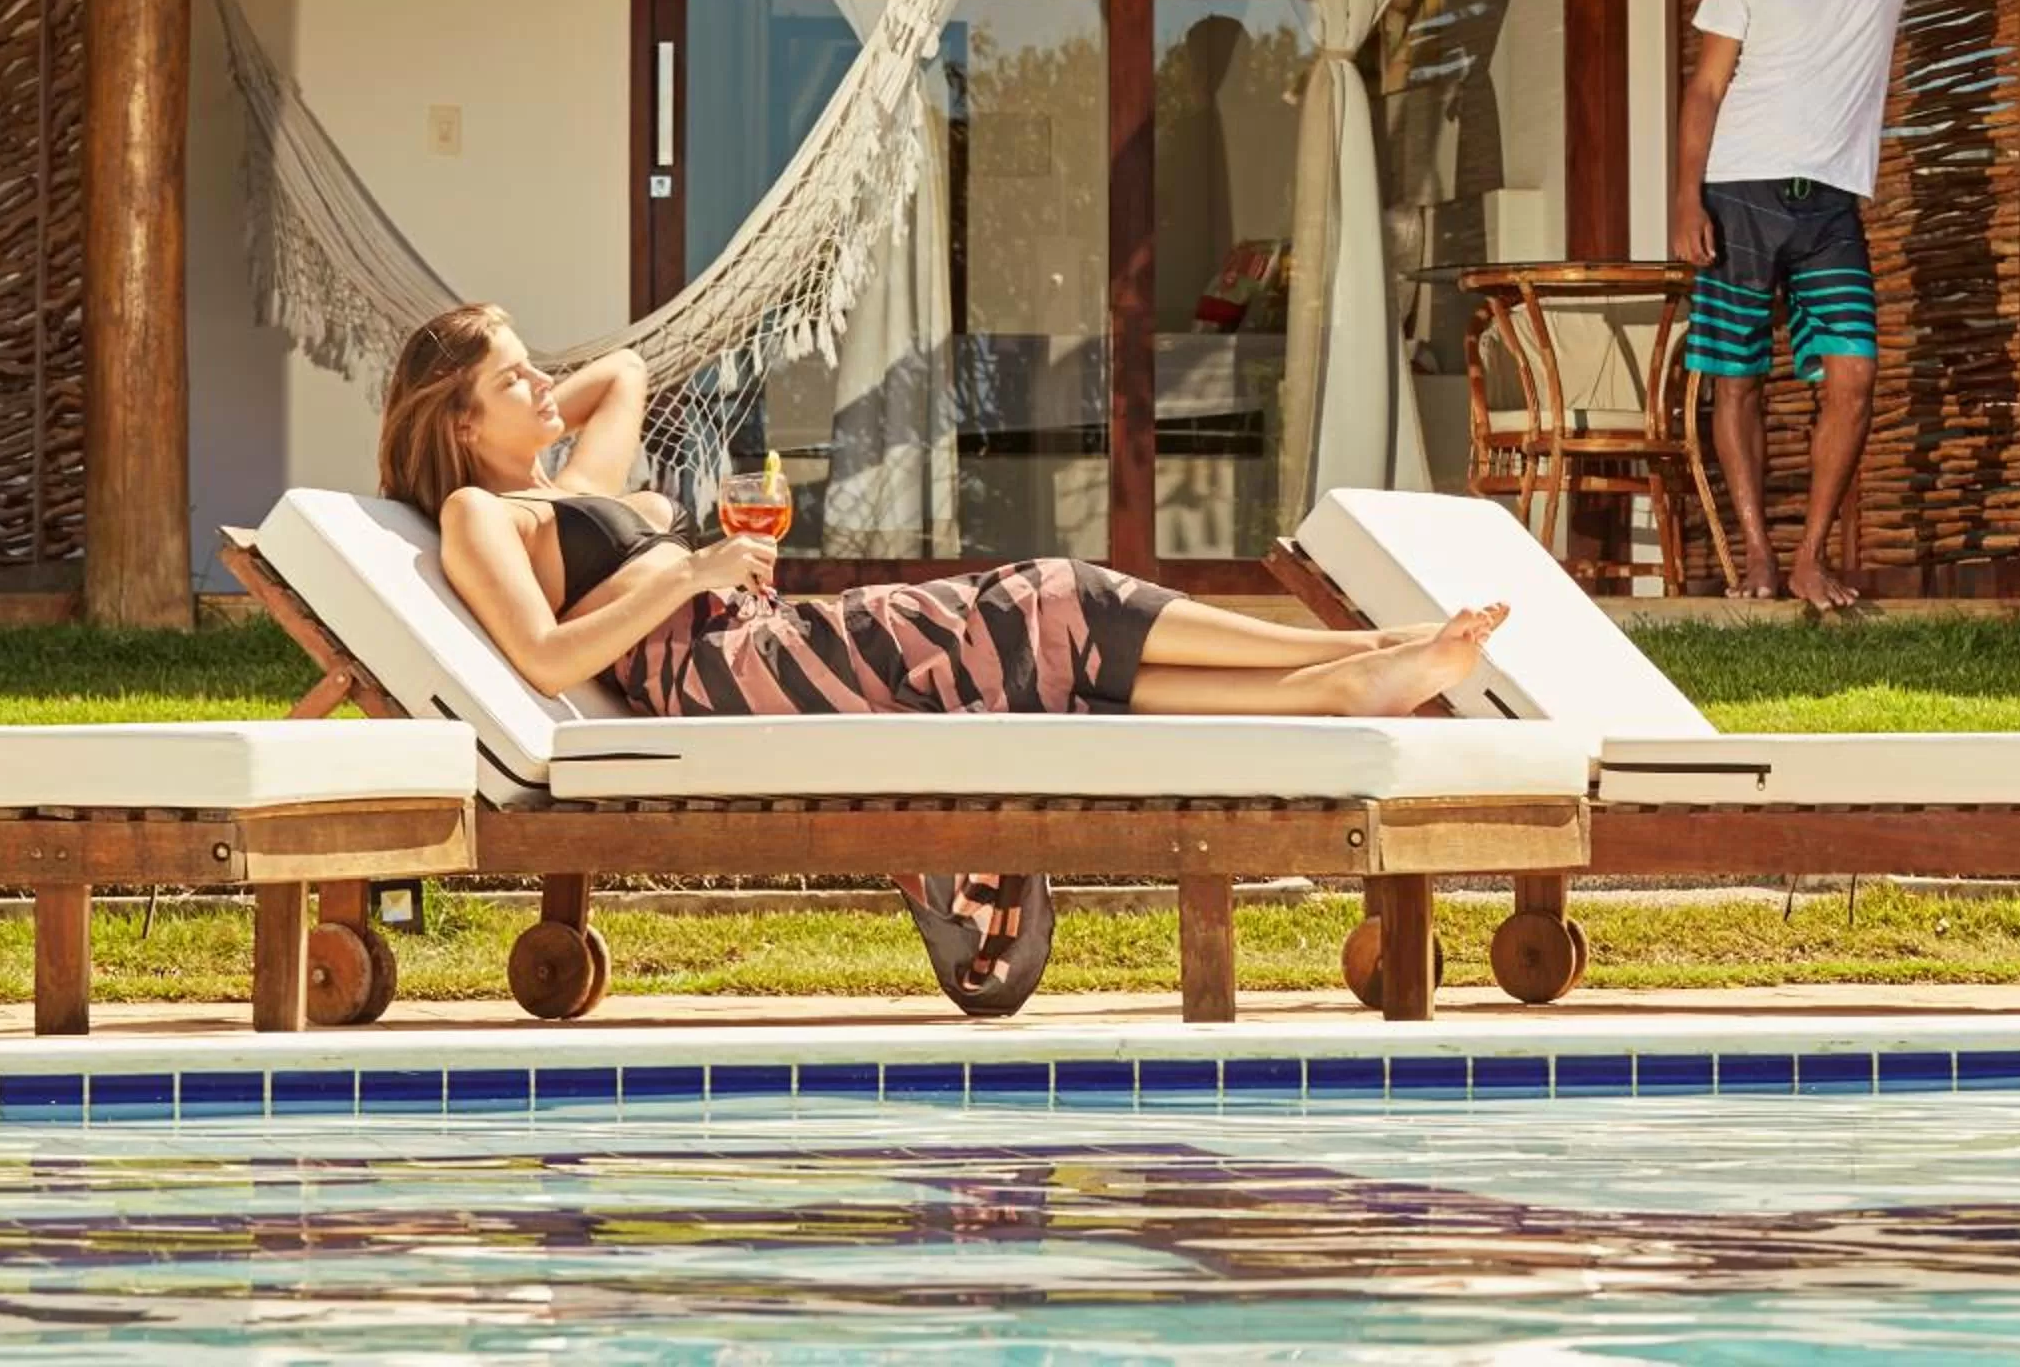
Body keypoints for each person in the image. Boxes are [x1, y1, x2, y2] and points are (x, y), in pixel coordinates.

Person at [377, 303, 1505, 1009]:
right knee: (1051, 594)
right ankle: (1349, 655)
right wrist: (685, 569)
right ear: (462, 429)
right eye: (511, 382)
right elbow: (538, 654)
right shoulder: (484, 511)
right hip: (725, 671)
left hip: (758, 643)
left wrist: (523, 398)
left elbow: (620, 369)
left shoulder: (567, 488)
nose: (541, 386)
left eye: (533, 368)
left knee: (1059, 642)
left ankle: (1343, 678)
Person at [1671, 0, 2020, 609]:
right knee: (1738, 379)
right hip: (1738, 195)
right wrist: (1684, 197)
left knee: (1852, 373)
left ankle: (1809, 557)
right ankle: (1759, 556)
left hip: (1832, 204)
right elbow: (1703, 89)